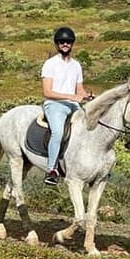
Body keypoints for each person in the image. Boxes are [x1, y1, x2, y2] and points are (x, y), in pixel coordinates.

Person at [40, 26, 89, 185]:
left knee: (90, 127)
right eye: (62, 42)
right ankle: (51, 170)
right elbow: (47, 92)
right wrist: (71, 96)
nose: (65, 44)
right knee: (58, 132)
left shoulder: (76, 65)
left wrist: (86, 95)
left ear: (72, 43)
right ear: (57, 44)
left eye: (68, 41)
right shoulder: (50, 64)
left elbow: (79, 89)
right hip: (54, 105)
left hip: (73, 105)